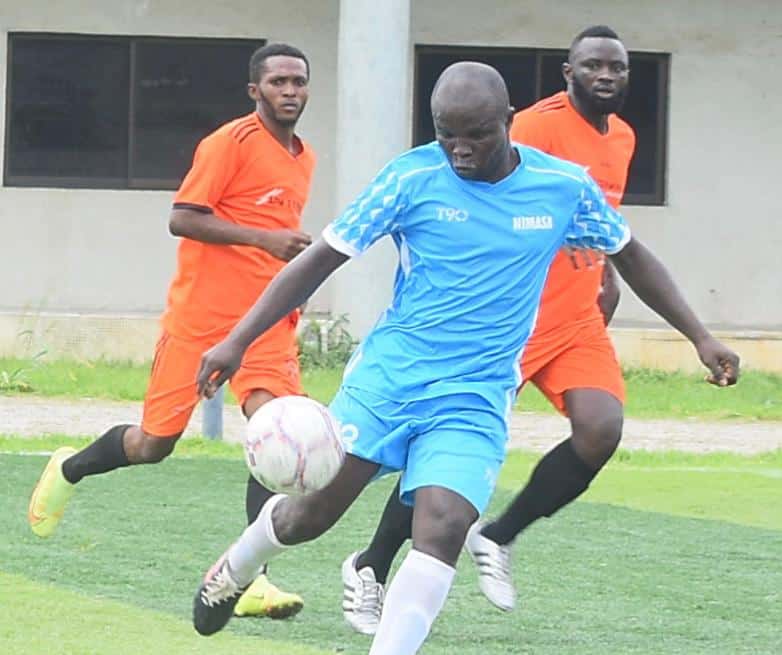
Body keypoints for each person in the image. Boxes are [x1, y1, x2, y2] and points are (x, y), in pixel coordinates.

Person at [189, 62, 738, 655]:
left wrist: (699, 336)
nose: (459, 148)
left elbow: (630, 254)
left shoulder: (563, 188)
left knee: (445, 525)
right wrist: (238, 339)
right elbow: (320, 258)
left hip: (474, 397)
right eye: (446, 132)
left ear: (508, 122)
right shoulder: (410, 178)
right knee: (309, 517)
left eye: (475, 133)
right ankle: (236, 566)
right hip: (388, 382)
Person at [340, 25, 646, 631]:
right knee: (439, 453)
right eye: (592, 66)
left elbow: (596, 217)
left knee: (601, 428)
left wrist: (607, 271)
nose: (605, 76)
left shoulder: (624, 138)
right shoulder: (526, 127)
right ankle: (374, 565)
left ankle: (500, 536)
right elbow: (485, 189)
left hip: (575, 315)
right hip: (503, 323)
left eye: (617, 67)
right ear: (568, 73)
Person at [27, 42, 315, 620]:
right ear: (254, 91)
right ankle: (69, 466)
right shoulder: (227, 144)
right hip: (200, 323)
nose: (290, 91)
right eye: (278, 81)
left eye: (299, 82)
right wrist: (264, 240)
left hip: (264, 327)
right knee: (153, 445)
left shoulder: (304, 156)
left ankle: (251, 575)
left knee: (277, 435)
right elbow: (181, 217)